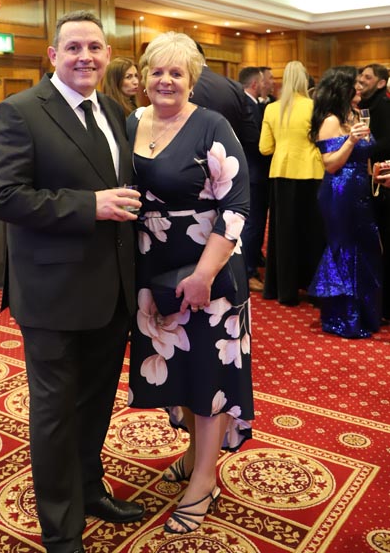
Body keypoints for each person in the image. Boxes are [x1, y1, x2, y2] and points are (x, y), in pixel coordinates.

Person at [0, 11, 144, 553]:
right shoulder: (21, 111)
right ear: (53, 55)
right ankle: (60, 530)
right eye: (73, 47)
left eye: (95, 47)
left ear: (107, 55)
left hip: (111, 291)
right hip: (52, 295)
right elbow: (3, 197)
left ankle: (89, 490)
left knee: (95, 405)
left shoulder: (114, 111)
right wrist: (88, 206)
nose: (85, 57)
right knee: (55, 415)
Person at [127, 32, 253, 535]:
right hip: (152, 266)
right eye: (157, 71)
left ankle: (204, 477)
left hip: (209, 270)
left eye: (176, 73)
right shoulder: (131, 122)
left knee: (208, 373)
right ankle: (193, 452)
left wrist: (204, 275)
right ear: (143, 78)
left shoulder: (211, 125)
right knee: (177, 369)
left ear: (192, 80)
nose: (166, 80)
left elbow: (236, 206)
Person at [308, 66, 382, 338]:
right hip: (339, 192)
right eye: (355, 83)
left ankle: (365, 313)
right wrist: (351, 141)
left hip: (361, 190)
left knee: (366, 248)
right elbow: (330, 164)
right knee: (345, 250)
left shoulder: (357, 115)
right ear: (343, 88)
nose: (360, 87)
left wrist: (375, 173)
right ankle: (343, 318)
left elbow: (366, 155)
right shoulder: (330, 121)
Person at [259, 60, 325, 306]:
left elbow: (265, 148)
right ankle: (314, 289)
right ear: (306, 80)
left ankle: (285, 290)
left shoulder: (272, 109)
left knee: (284, 235)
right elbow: (322, 140)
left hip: (282, 173)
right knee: (313, 233)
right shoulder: (314, 106)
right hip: (313, 173)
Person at [358, 63, 390, 322]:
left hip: (382, 179)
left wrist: (364, 149)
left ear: (380, 83)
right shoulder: (366, 105)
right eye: (361, 76)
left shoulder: (384, 106)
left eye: (368, 77)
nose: (362, 80)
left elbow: (387, 141)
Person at [190, 42, 260, 148]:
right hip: (228, 153)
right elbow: (250, 135)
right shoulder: (235, 87)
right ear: (204, 58)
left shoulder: (177, 87)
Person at [238, 67, 271, 291]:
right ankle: (247, 272)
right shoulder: (247, 106)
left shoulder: (251, 104)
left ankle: (253, 260)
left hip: (253, 171)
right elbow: (256, 142)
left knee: (255, 224)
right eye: (263, 81)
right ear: (254, 84)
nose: (266, 85)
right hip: (253, 172)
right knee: (252, 224)